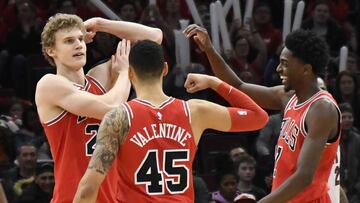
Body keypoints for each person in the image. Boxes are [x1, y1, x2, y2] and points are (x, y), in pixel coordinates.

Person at [73, 40, 268, 202]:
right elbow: (258, 117)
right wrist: (213, 82)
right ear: (165, 69)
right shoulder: (195, 111)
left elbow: (88, 188)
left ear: (130, 72)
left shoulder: (118, 117)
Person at [184, 25, 340, 202]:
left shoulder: (322, 109)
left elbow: (304, 176)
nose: (278, 69)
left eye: (285, 64)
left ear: (306, 69)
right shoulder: (287, 96)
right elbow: (239, 86)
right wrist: (209, 50)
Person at [35, 14, 163, 203]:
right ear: (51, 50)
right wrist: (124, 74)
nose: (78, 45)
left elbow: (154, 39)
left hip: (111, 196)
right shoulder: (50, 84)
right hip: (72, 197)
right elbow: (111, 107)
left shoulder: (99, 78)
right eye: (69, 41)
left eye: (80, 39)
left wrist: (100, 24)